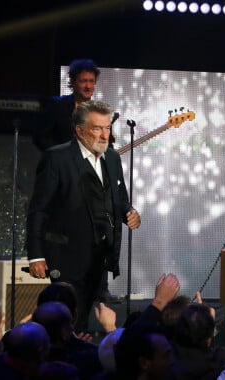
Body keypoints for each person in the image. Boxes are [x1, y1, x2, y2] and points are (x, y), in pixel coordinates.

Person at [26, 100, 141, 332]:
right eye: (97, 128)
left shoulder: (112, 158)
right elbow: (39, 209)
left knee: (89, 323)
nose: (104, 134)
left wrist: (129, 212)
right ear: (79, 130)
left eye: (107, 128)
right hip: (66, 256)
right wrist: (36, 255)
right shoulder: (57, 158)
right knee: (66, 321)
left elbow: (119, 198)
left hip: (100, 257)